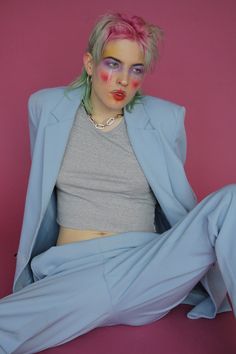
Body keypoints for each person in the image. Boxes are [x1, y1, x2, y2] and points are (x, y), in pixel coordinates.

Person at [0, 12, 235, 354]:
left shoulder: (165, 119)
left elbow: (172, 195)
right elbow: (41, 189)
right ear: (90, 64)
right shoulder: (46, 108)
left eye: (135, 69)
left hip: (149, 265)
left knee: (231, 201)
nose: (123, 80)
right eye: (113, 64)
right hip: (71, 267)